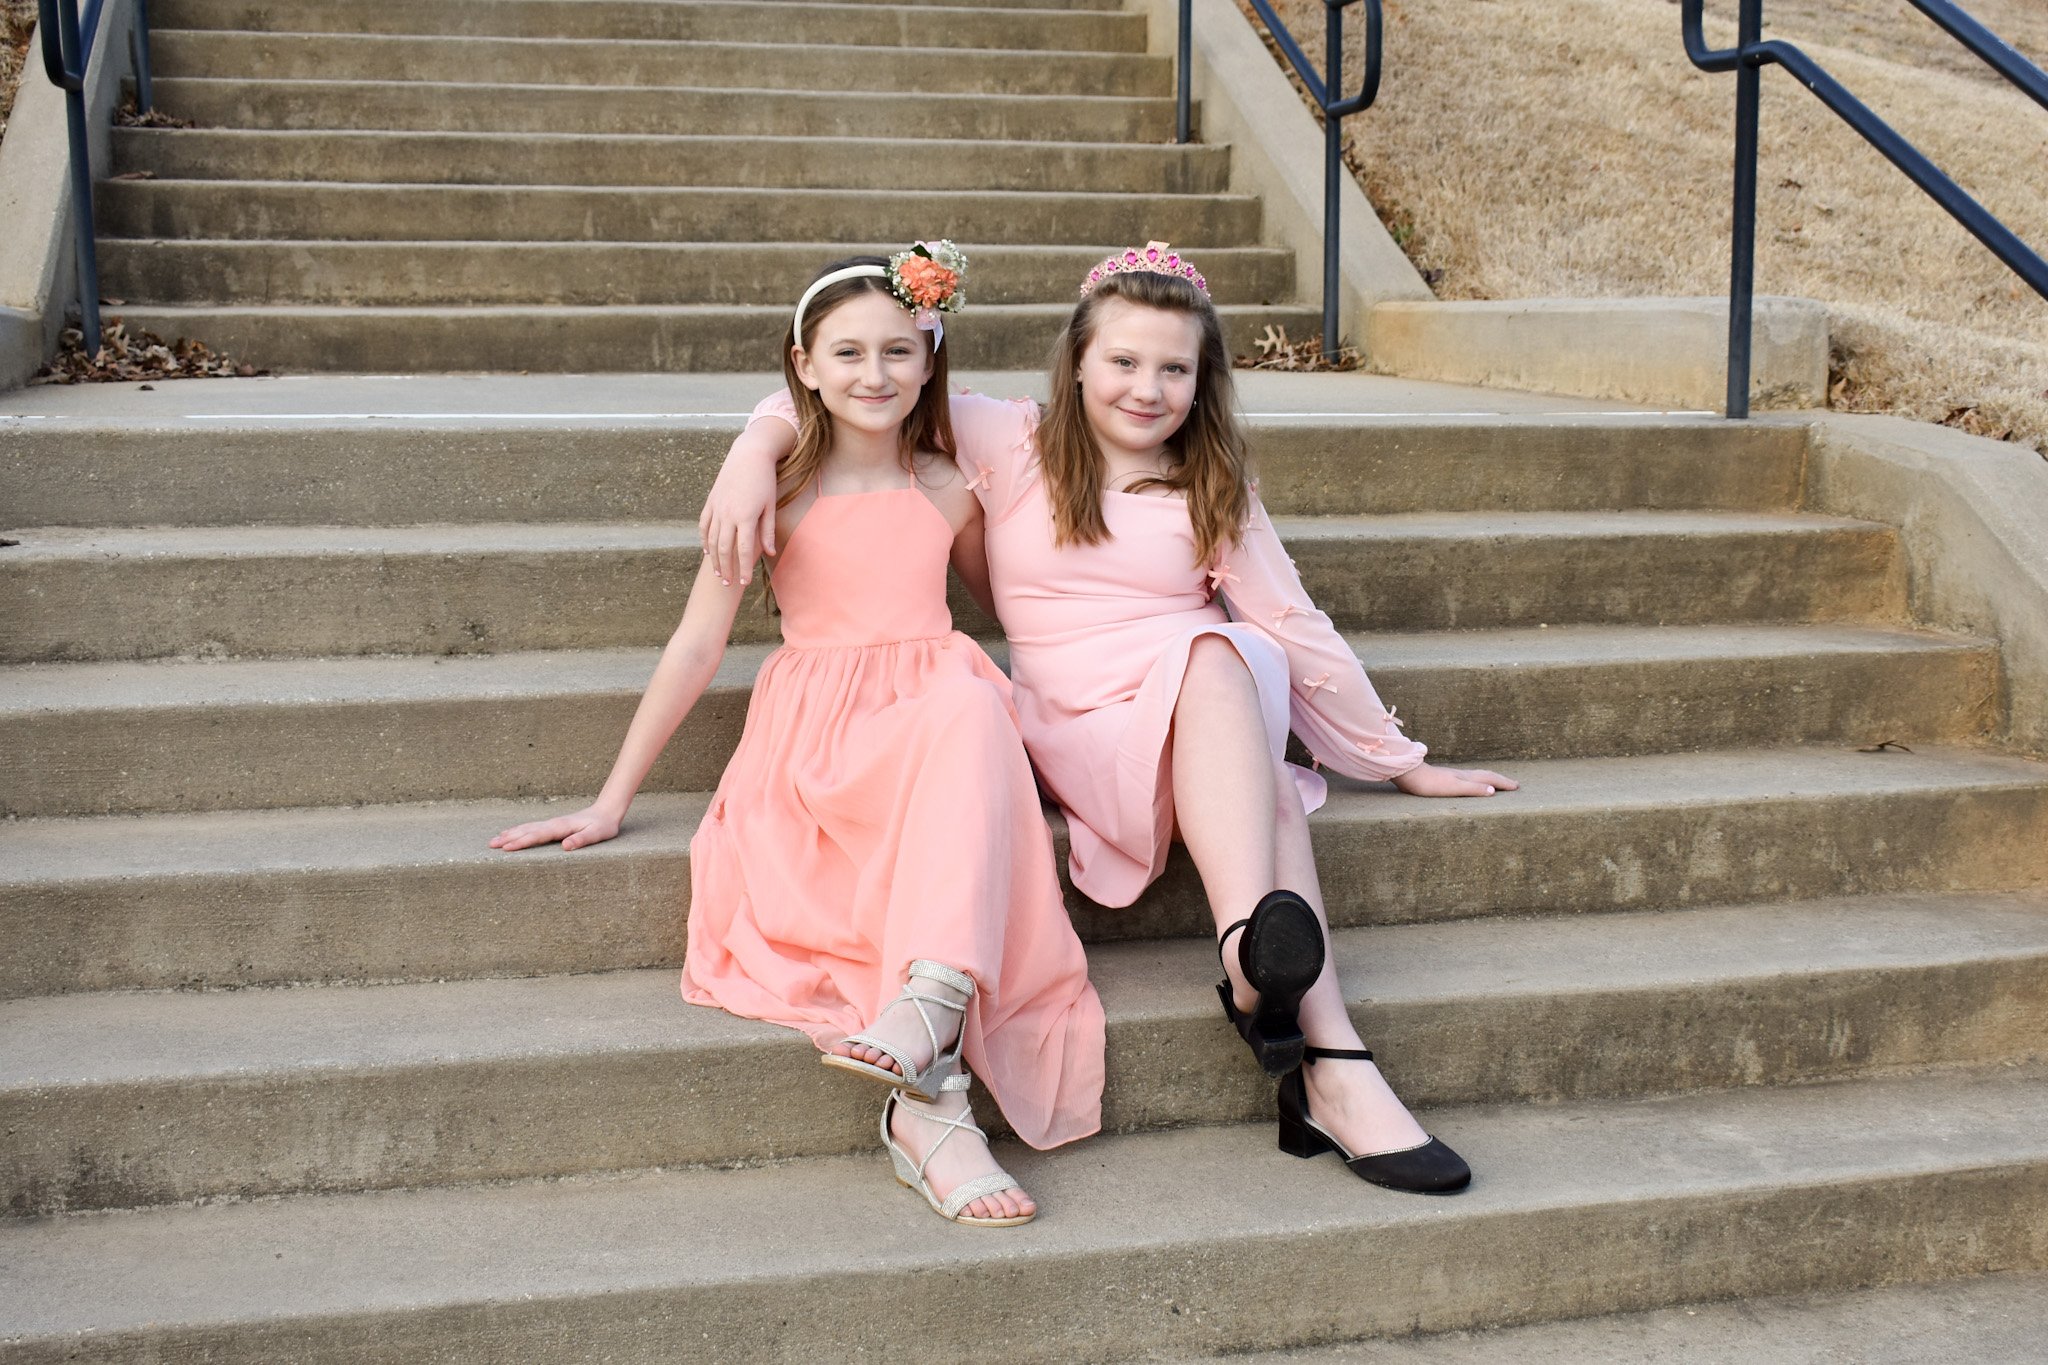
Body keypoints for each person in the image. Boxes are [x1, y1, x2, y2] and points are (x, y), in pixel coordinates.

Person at [701, 243, 1516, 1194]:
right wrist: (751, 450)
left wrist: (1397, 758)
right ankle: (1308, 1033)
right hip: (1081, 731)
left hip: (1200, 715)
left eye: (1175, 368)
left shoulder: (1213, 483)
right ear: (1077, 362)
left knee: (1226, 652)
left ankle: (1294, 1011)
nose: (1147, 388)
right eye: (1124, 362)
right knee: (1257, 765)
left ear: (1203, 380)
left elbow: (1294, 622)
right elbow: (862, 385)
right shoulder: (1010, 440)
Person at [492, 247, 1105, 1227]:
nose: (875, 374)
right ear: (803, 365)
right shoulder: (772, 490)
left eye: (899, 351)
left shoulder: (952, 484)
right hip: (818, 744)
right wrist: (613, 800)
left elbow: (1010, 618)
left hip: (932, 717)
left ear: (929, 359)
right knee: (959, 719)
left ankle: (930, 1029)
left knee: (967, 695)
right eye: (848, 353)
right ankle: (933, 1101)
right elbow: (698, 645)